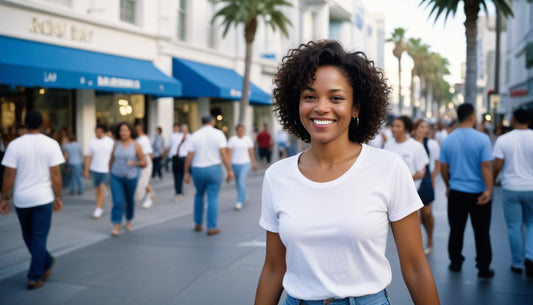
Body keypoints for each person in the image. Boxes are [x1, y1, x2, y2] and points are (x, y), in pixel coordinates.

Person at [254, 40, 439, 305]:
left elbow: (415, 266)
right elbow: (273, 268)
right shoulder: (277, 176)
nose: (321, 107)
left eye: (336, 98)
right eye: (309, 96)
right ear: (297, 103)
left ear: (356, 108)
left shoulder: (388, 168)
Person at [0, 111, 64, 290]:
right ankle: (47, 261)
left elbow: (9, 175)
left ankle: (35, 275)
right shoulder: (51, 144)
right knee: (35, 237)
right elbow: (56, 174)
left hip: (22, 199)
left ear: (24, 124)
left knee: (30, 236)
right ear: (42, 124)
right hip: (43, 198)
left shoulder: (14, 145)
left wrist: (3, 197)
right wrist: (58, 196)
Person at [439, 103, 494, 278]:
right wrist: (489, 190)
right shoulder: (483, 139)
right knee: (482, 231)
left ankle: (455, 262)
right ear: (472, 117)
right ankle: (483, 267)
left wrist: (448, 185)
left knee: (456, 229)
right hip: (479, 193)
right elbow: (486, 165)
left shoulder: (448, 139)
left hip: (456, 192)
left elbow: (444, 168)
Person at [493, 108, 533, 277]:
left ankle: (517, 262)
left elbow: (497, 165)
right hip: (531, 187)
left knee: (513, 225)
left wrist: (492, 181)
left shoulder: (503, 140)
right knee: (531, 222)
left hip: (510, 187)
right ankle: (530, 256)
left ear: (514, 119)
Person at [184, 115, 234, 236]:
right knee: (213, 197)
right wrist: (229, 169)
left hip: (198, 169)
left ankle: (198, 223)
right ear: (212, 121)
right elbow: (223, 153)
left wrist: (186, 172)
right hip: (214, 168)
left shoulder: (195, 135)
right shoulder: (218, 134)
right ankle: (211, 227)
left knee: (199, 195)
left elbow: (190, 155)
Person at [109, 122, 146, 237]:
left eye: (126, 130)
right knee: (118, 201)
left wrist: (135, 163)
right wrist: (109, 174)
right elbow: (111, 160)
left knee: (129, 200)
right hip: (116, 176)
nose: (123, 132)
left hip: (131, 177)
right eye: (121, 130)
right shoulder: (116, 144)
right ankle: (116, 225)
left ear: (130, 132)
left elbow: (144, 162)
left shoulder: (136, 145)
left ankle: (129, 219)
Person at [413, 119, 441, 254]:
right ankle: (417, 244)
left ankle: (429, 237)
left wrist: (432, 179)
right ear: (415, 128)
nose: (423, 130)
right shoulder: (409, 143)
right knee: (415, 216)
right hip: (411, 181)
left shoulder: (432, 144)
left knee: (427, 213)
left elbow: (437, 165)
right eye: (421, 127)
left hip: (426, 181)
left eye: (426, 127)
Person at [84, 124, 115, 219]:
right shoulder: (92, 142)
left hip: (105, 170)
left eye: (100, 131)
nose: (98, 133)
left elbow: (113, 156)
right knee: (97, 190)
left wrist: (111, 168)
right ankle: (100, 205)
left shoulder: (110, 142)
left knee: (102, 188)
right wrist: (86, 170)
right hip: (95, 169)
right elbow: (89, 157)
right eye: (96, 131)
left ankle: (97, 208)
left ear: (104, 132)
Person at [228, 124, 258, 210]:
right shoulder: (232, 140)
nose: (240, 132)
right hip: (234, 164)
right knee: (238, 183)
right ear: (236, 131)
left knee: (241, 181)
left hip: (245, 163)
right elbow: (229, 154)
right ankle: (243, 195)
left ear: (244, 131)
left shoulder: (247, 140)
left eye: (242, 130)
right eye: (239, 130)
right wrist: (229, 167)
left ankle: (239, 201)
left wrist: (254, 163)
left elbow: (251, 152)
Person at [134, 123, 155, 208]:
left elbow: (149, 154)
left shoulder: (144, 139)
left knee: (144, 182)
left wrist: (149, 165)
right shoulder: (138, 139)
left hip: (145, 161)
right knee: (141, 181)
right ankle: (149, 195)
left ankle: (150, 196)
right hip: (140, 161)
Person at [170, 124, 190, 200]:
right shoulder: (177, 136)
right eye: (183, 129)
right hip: (176, 157)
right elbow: (173, 146)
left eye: (185, 129)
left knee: (181, 175)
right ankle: (177, 191)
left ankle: (180, 191)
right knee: (176, 175)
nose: (184, 131)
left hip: (183, 158)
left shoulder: (190, 137)